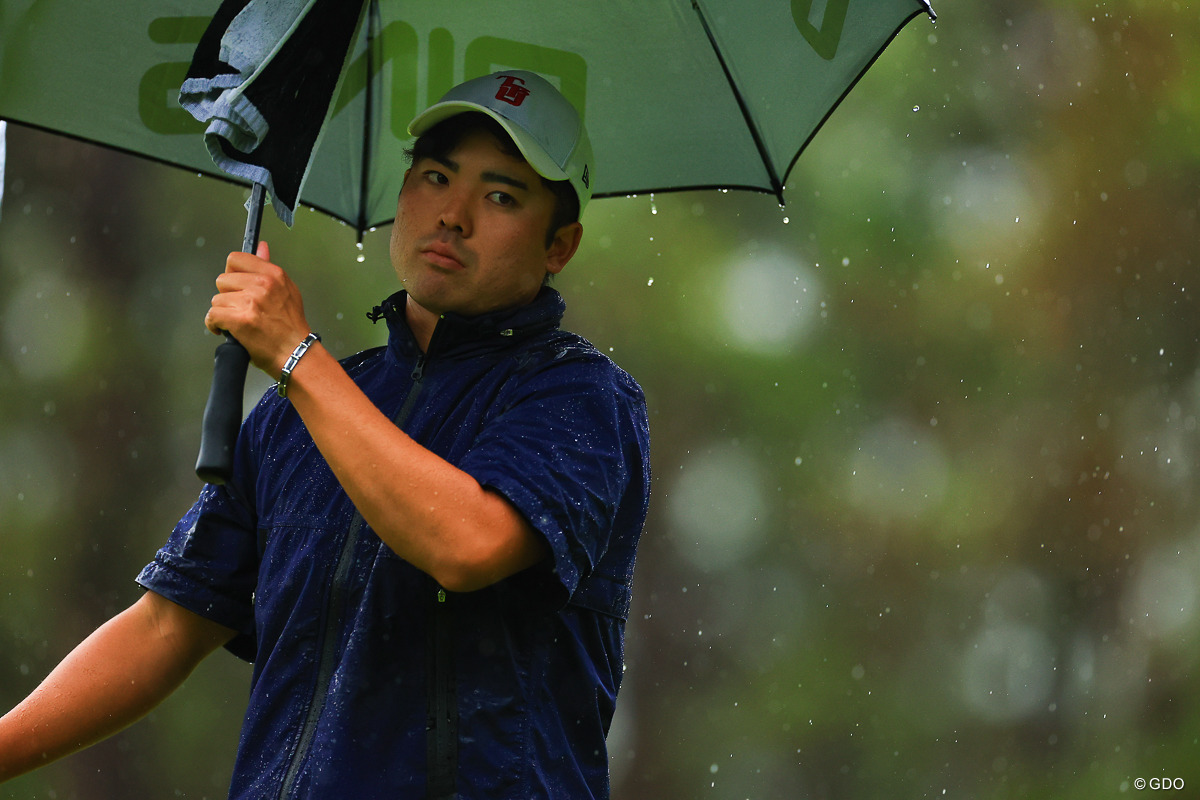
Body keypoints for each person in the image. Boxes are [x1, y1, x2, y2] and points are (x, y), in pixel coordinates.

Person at [0, 70, 651, 799]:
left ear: (559, 245)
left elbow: (464, 544)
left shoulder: (584, 398)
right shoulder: (295, 414)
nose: (455, 215)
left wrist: (293, 355)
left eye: (501, 196)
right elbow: (164, 628)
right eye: (435, 177)